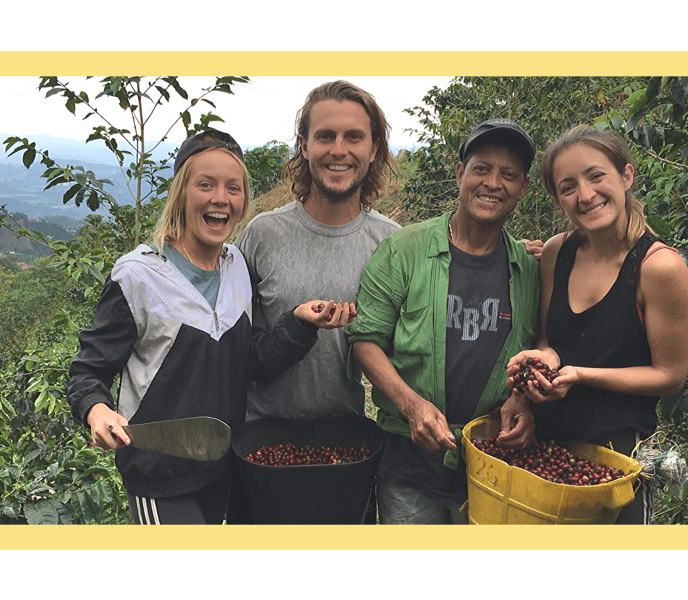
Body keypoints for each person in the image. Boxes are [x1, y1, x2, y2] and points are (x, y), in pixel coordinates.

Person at [67, 128, 349, 525]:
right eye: (206, 185)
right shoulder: (138, 276)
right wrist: (96, 410)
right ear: (182, 192)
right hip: (159, 474)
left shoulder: (236, 268)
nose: (221, 198)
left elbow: (251, 363)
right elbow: (88, 370)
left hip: (222, 465)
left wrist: (300, 324)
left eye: (234, 188)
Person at [346, 118, 541, 524]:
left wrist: (521, 400)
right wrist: (412, 405)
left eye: (509, 175)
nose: (493, 183)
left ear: (523, 188)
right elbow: (365, 339)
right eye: (482, 169)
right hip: (408, 466)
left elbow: (537, 347)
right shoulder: (404, 250)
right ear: (460, 174)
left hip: (493, 465)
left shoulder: (527, 268)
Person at [230, 80, 401, 524]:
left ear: (375, 148)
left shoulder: (391, 244)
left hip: (347, 452)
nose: (338, 150)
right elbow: (234, 349)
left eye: (354, 137)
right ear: (304, 146)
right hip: (261, 451)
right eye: (325, 136)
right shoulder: (261, 236)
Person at [506, 124, 688, 525]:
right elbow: (549, 340)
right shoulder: (559, 251)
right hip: (551, 450)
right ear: (558, 199)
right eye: (568, 186)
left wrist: (583, 375)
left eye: (596, 176)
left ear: (625, 176)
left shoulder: (659, 268)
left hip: (617, 460)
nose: (586, 195)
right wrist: (534, 368)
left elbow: (670, 375)